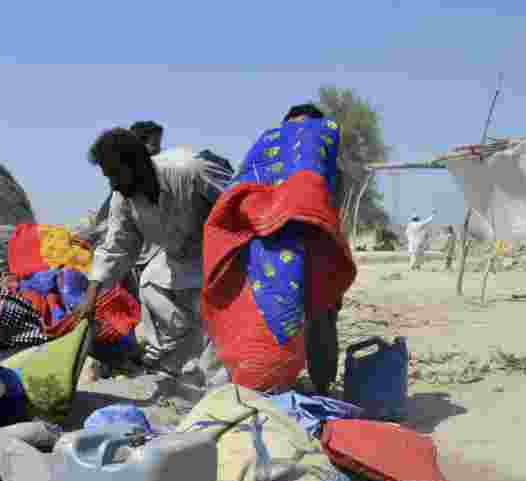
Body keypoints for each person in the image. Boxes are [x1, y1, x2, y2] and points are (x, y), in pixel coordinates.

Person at [198, 103, 356, 397]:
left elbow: (329, 213)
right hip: (271, 255)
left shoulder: (331, 172)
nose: (300, 137)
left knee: (322, 319)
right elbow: (239, 197)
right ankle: (274, 383)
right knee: (270, 319)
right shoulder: (264, 165)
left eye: (307, 129)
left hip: (316, 254)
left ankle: (321, 387)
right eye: (294, 129)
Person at [75, 127, 232, 376]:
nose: (113, 183)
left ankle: (216, 363)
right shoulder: (122, 198)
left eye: (115, 174)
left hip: (223, 259)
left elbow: (237, 199)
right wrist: (91, 297)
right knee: (150, 283)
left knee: (221, 333)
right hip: (179, 260)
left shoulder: (189, 169)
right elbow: (116, 247)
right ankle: (178, 356)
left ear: (135, 164)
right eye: (108, 177)